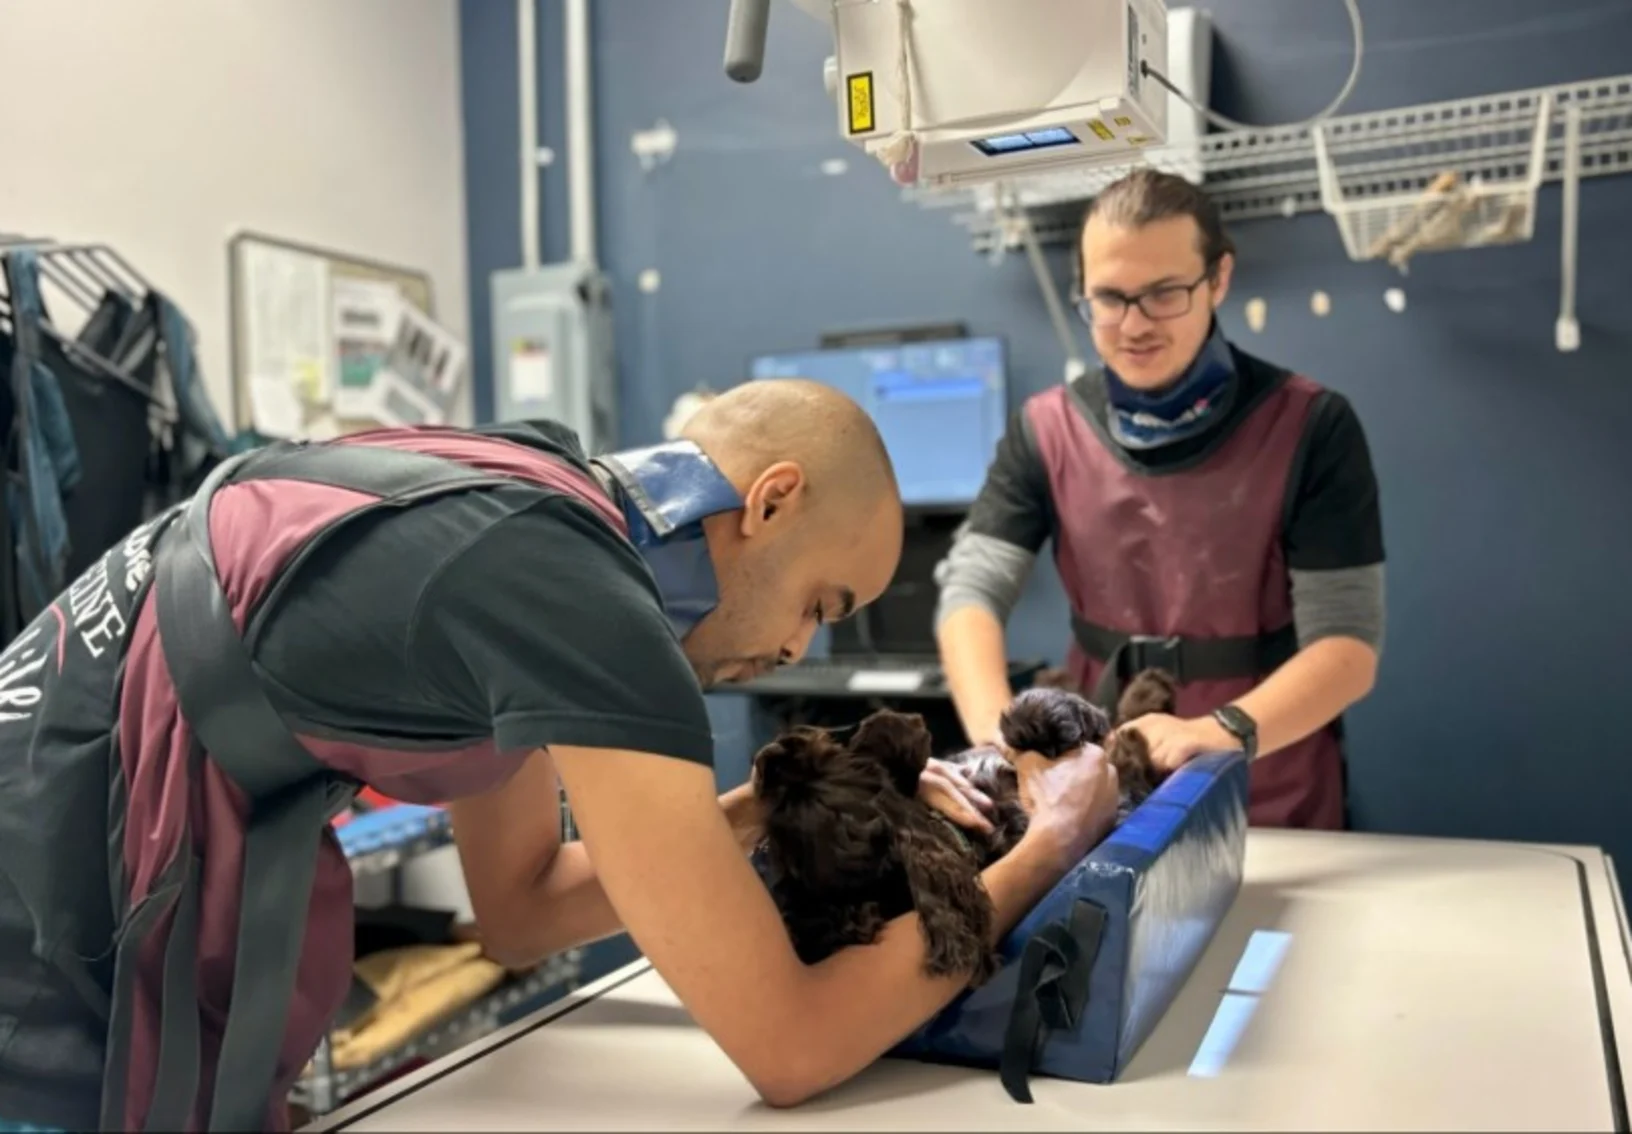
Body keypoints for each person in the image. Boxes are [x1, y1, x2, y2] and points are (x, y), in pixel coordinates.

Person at [0, 377, 1122, 1132]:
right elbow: (789, 1047)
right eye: (820, 602)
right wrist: (1052, 840)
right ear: (772, 503)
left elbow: (522, 905)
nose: (794, 645)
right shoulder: (585, 604)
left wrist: (776, 802)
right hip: (40, 921)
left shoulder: (535, 496)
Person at [935, 168, 1385, 830]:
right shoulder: (1046, 428)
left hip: (1263, 782)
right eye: (1109, 299)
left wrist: (1223, 729)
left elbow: (1347, 647)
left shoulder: (1311, 427)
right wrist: (1003, 742)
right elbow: (970, 592)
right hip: (1100, 779)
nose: (1133, 324)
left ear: (1218, 279)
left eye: (1164, 294)